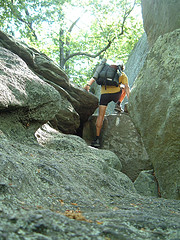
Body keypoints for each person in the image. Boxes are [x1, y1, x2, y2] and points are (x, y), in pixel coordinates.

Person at [84, 61, 130, 148]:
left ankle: (97, 138)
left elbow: (95, 77)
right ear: (121, 67)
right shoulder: (122, 74)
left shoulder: (104, 72)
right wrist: (130, 101)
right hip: (116, 94)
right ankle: (118, 103)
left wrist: (88, 85)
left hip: (104, 96)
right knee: (123, 88)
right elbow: (127, 87)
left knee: (100, 116)